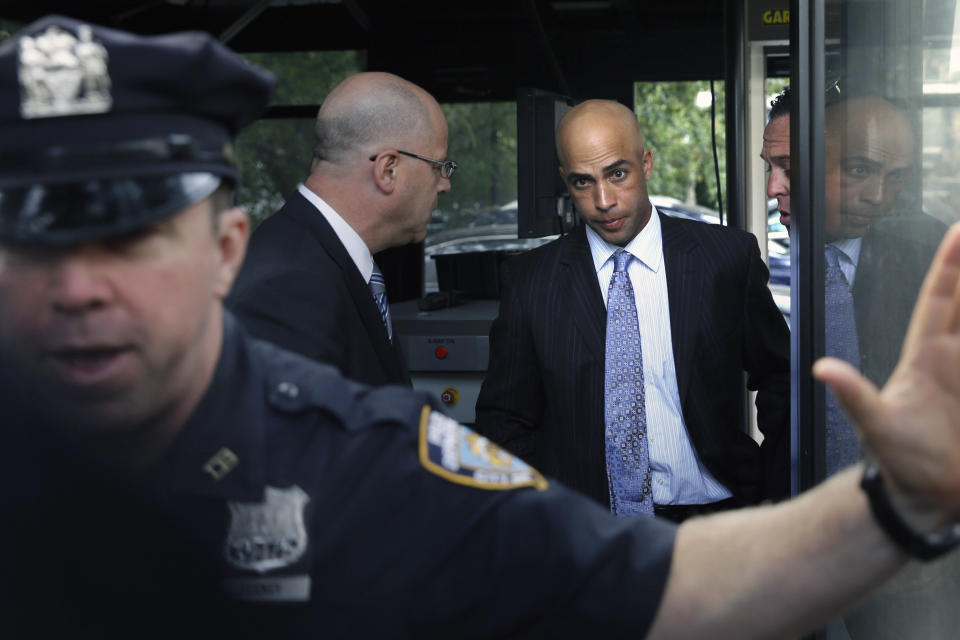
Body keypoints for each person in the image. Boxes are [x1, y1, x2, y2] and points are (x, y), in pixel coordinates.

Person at [6, 16, 960, 640]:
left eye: (133, 241)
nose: (84, 290)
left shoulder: (355, 448)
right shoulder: (528, 287)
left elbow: (675, 587)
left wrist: (899, 507)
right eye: (35, 244)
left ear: (224, 251)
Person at [475, 99, 792, 517]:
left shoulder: (725, 258)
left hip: (715, 513)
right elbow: (506, 420)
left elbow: (782, 376)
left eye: (617, 174)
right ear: (564, 182)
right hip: (588, 527)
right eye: (582, 183)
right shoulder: (531, 281)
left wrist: (777, 483)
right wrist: (543, 518)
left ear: (647, 163)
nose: (603, 200)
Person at [760, 85, 955, 640]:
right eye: (773, 166)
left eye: (894, 177)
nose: (878, 196)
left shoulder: (925, 259)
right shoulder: (759, 266)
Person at [227, 71, 456, 387]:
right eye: (439, 167)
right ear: (388, 170)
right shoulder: (284, 290)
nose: (444, 185)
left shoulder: (320, 258)